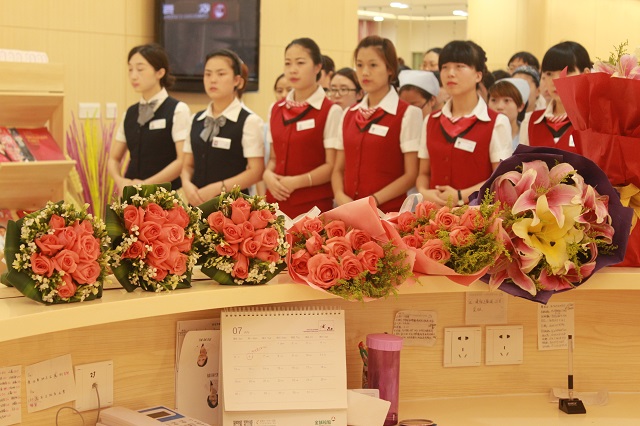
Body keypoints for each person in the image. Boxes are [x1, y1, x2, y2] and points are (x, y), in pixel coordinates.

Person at [416, 40, 512, 206]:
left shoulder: (496, 122)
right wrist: (424, 192)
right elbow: (423, 173)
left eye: (459, 66)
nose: (450, 73)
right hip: (434, 213)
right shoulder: (431, 120)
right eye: (445, 67)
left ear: (478, 75)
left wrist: (461, 196)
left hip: (476, 215)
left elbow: (500, 178)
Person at [332, 36, 422, 213]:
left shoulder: (408, 113)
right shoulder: (348, 114)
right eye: (359, 65)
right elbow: (338, 169)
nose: (365, 72)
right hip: (349, 210)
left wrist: (373, 200)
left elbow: (411, 174)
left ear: (389, 69)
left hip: (387, 213)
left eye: (373, 65)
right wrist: (341, 197)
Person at [264, 38, 342, 217]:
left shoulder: (331, 110)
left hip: (313, 208)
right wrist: (267, 174)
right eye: (288, 63)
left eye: (300, 63)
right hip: (275, 204)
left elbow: (332, 166)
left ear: (317, 67)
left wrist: (297, 182)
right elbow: (274, 158)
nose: (293, 69)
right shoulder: (275, 109)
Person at [181, 49, 264, 205]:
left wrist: (219, 188)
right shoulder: (195, 119)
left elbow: (256, 171)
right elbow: (187, 165)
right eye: (208, 74)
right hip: (197, 204)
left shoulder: (249, 121)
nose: (213, 80)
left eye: (221, 74)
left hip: (233, 208)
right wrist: (186, 184)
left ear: (237, 81)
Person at [108, 43, 190, 194]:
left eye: (140, 69)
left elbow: (182, 160)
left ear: (160, 72)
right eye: (130, 69)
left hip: (166, 195)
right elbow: (114, 158)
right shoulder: (130, 113)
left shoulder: (178, 110)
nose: (133, 76)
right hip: (133, 194)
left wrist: (146, 184)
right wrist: (120, 181)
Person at [519, 41, 592, 153]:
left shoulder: (596, 122)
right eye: (549, 74)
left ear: (586, 74)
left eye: (566, 72)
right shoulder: (530, 121)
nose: (556, 81)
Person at [488, 78, 530, 152]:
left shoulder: (528, 134)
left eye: (506, 100)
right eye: (494, 100)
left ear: (520, 106)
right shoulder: (483, 133)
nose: (499, 107)